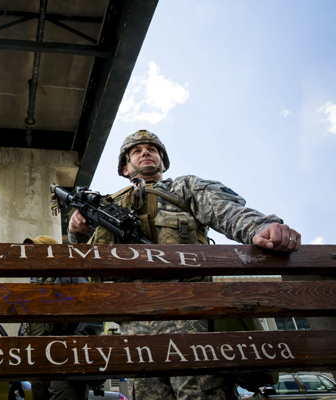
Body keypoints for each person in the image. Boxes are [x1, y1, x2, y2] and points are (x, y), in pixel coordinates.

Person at [67, 130, 301, 400]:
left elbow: (226, 210)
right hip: (134, 324)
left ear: (163, 163)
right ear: (124, 166)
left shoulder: (184, 189)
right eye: (137, 150)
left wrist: (259, 228)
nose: (146, 153)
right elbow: (86, 264)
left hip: (189, 316)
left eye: (152, 149)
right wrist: (76, 231)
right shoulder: (107, 207)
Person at [21, 236, 104, 400]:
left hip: (65, 361)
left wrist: (77, 342)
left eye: (37, 250)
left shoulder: (70, 277)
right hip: (37, 361)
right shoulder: (34, 284)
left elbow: (93, 308)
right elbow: (27, 326)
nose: (32, 255)